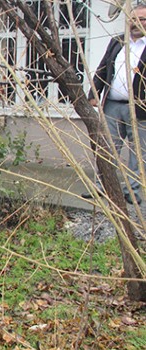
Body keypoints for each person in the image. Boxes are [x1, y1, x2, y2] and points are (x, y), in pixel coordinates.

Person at [85, 4, 146, 205]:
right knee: (108, 148)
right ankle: (102, 188)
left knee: (138, 153)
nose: (136, 23)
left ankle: (133, 193)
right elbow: (103, 67)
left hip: (139, 108)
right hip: (112, 104)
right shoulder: (118, 41)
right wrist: (94, 91)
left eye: (142, 19)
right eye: (133, 19)